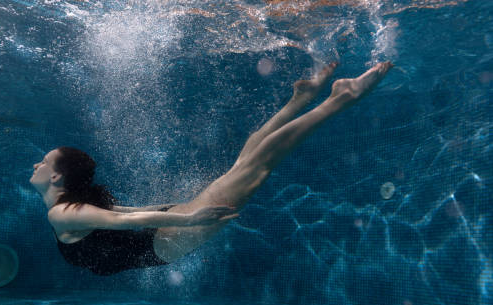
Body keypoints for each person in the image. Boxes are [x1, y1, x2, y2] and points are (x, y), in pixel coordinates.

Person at [30, 61, 393, 275]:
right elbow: (122, 213)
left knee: (257, 166)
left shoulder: (60, 215)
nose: (37, 165)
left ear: (58, 176)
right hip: (168, 225)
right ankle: (300, 99)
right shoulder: (73, 210)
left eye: (44, 162)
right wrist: (172, 209)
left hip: (169, 238)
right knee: (246, 161)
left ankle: (341, 97)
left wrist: (186, 219)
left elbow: (123, 220)